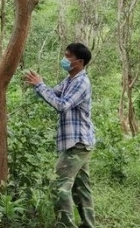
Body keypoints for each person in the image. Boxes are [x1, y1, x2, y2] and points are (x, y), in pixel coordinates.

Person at [24, 43, 95, 228]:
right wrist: (38, 85)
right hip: (79, 142)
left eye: (67, 56)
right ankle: (88, 224)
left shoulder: (81, 82)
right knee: (81, 189)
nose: (64, 59)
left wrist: (40, 86)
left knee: (59, 187)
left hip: (77, 143)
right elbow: (53, 93)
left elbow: (61, 105)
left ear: (79, 62)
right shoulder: (70, 79)